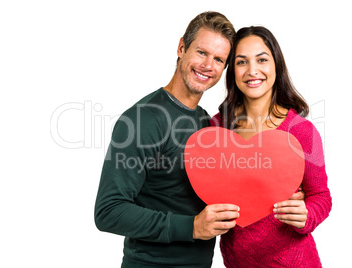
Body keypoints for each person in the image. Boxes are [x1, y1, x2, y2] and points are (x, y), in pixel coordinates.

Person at [94, 11, 241, 268]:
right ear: (181, 47)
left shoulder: (208, 123)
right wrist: (192, 227)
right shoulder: (143, 119)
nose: (208, 65)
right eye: (201, 52)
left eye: (218, 59)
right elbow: (109, 211)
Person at [210, 26, 332, 267]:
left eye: (262, 60)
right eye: (241, 62)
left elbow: (321, 196)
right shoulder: (217, 129)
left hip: (294, 261)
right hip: (236, 261)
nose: (252, 71)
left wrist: (308, 214)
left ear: (276, 65)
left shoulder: (301, 132)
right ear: (232, 71)